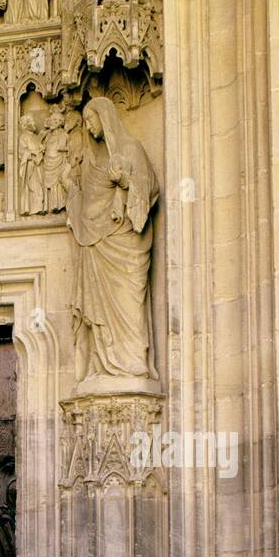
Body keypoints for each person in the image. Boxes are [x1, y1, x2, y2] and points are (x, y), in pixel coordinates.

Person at [66, 98, 159, 386]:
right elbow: (89, 205)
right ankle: (102, 365)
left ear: (104, 118)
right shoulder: (92, 163)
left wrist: (126, 183)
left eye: (91, 120)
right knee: (99, 312)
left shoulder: (130, 150)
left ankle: (131, 366)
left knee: (128, 304)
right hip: (96, 247)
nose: (88, 127)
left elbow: (150, 189)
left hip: (125, 244)